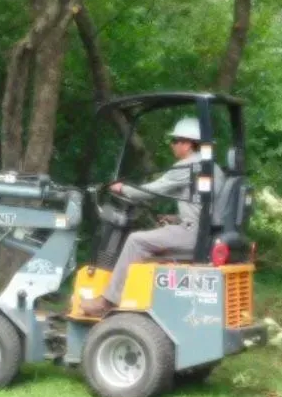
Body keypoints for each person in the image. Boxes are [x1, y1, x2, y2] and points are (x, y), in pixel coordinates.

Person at [80, 117, 221, 318]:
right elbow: (205, 206)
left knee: (135, 241)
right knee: (150, 240)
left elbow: (151, 190)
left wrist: (122, 188)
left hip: (192, 235)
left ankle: (107, 301)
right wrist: (175, 218)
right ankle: (138, 302)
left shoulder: (188, 166)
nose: (172, 145)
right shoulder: (214, 168)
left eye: (175, 141)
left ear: (188, 144)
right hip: (204, 233)